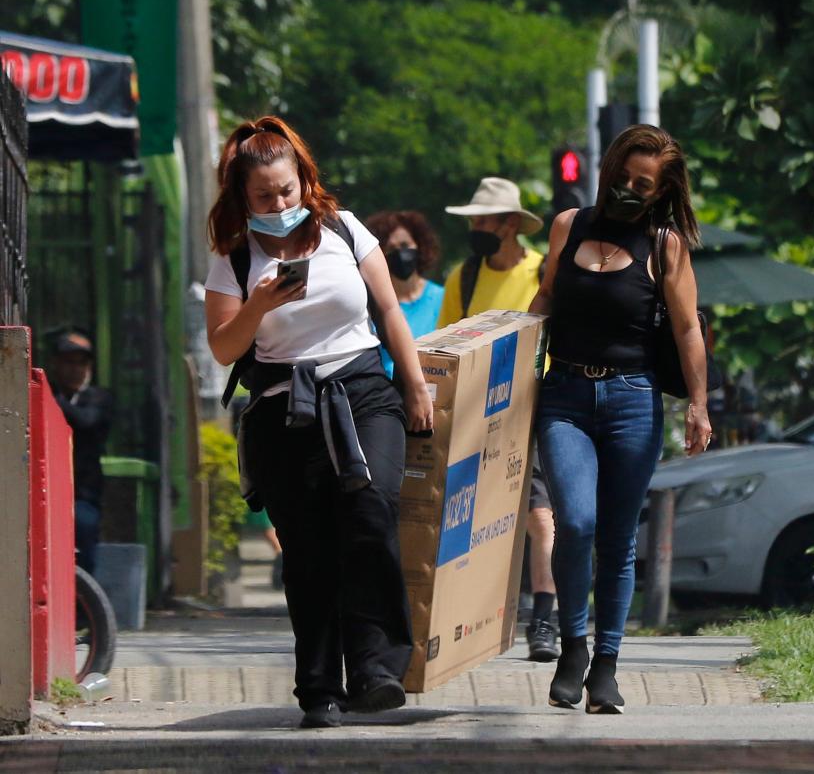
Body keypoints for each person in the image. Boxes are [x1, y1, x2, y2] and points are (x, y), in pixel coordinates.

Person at [204, 115, 433, 729]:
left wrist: (413, 384)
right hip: (287, 406)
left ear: (303, 179)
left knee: (370, 512)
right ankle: (318, 689)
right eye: (263, 196)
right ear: (241, 198)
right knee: (309, 551)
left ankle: (376, 668)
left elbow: (389, 309)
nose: (279, 203)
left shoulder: (344, 228)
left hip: (362, 388)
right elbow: (224, 348)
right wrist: (258, 304)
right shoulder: (233, 259)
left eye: (286, 190)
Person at [529, 125, 712, 714]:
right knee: (575, 522)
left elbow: (687, 328)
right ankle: (572, 648)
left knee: (617, 540)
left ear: (659, 193)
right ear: (607, 171)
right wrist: (504, 363)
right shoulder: (568, 226)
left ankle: (606, 665)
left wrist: (699, 405)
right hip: (564, 396)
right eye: (624, 178)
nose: (629, 190)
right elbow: (545, 301)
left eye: (644, 184)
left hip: (633, 400)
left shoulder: (666, 247)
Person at [438, 177, 560, 662]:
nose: (477, 228)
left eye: (484, 220)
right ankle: (474, 620)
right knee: (472, 516)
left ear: (511, 224)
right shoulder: (463, 278)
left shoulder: (542, 272)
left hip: (533, 405)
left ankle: (544, 622)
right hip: (475, 412)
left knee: (538, 516)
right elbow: (443, 340)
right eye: (473, 221)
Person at [48, 328, 113, 578]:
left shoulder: (98, 397)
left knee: (83, 533)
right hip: (47, 489)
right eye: (69, 362)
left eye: (82, 363)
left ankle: (84, 610)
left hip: (82, 494)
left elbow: (86, 421)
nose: (75, 370)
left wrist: (51, 398)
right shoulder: (50, 393)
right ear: (55, 364)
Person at [364, 210, 445, 378]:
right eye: (391, 249)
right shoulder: (373, 309)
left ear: (420, 246)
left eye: (404, 245)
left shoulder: (443, 298)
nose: (400, 253)